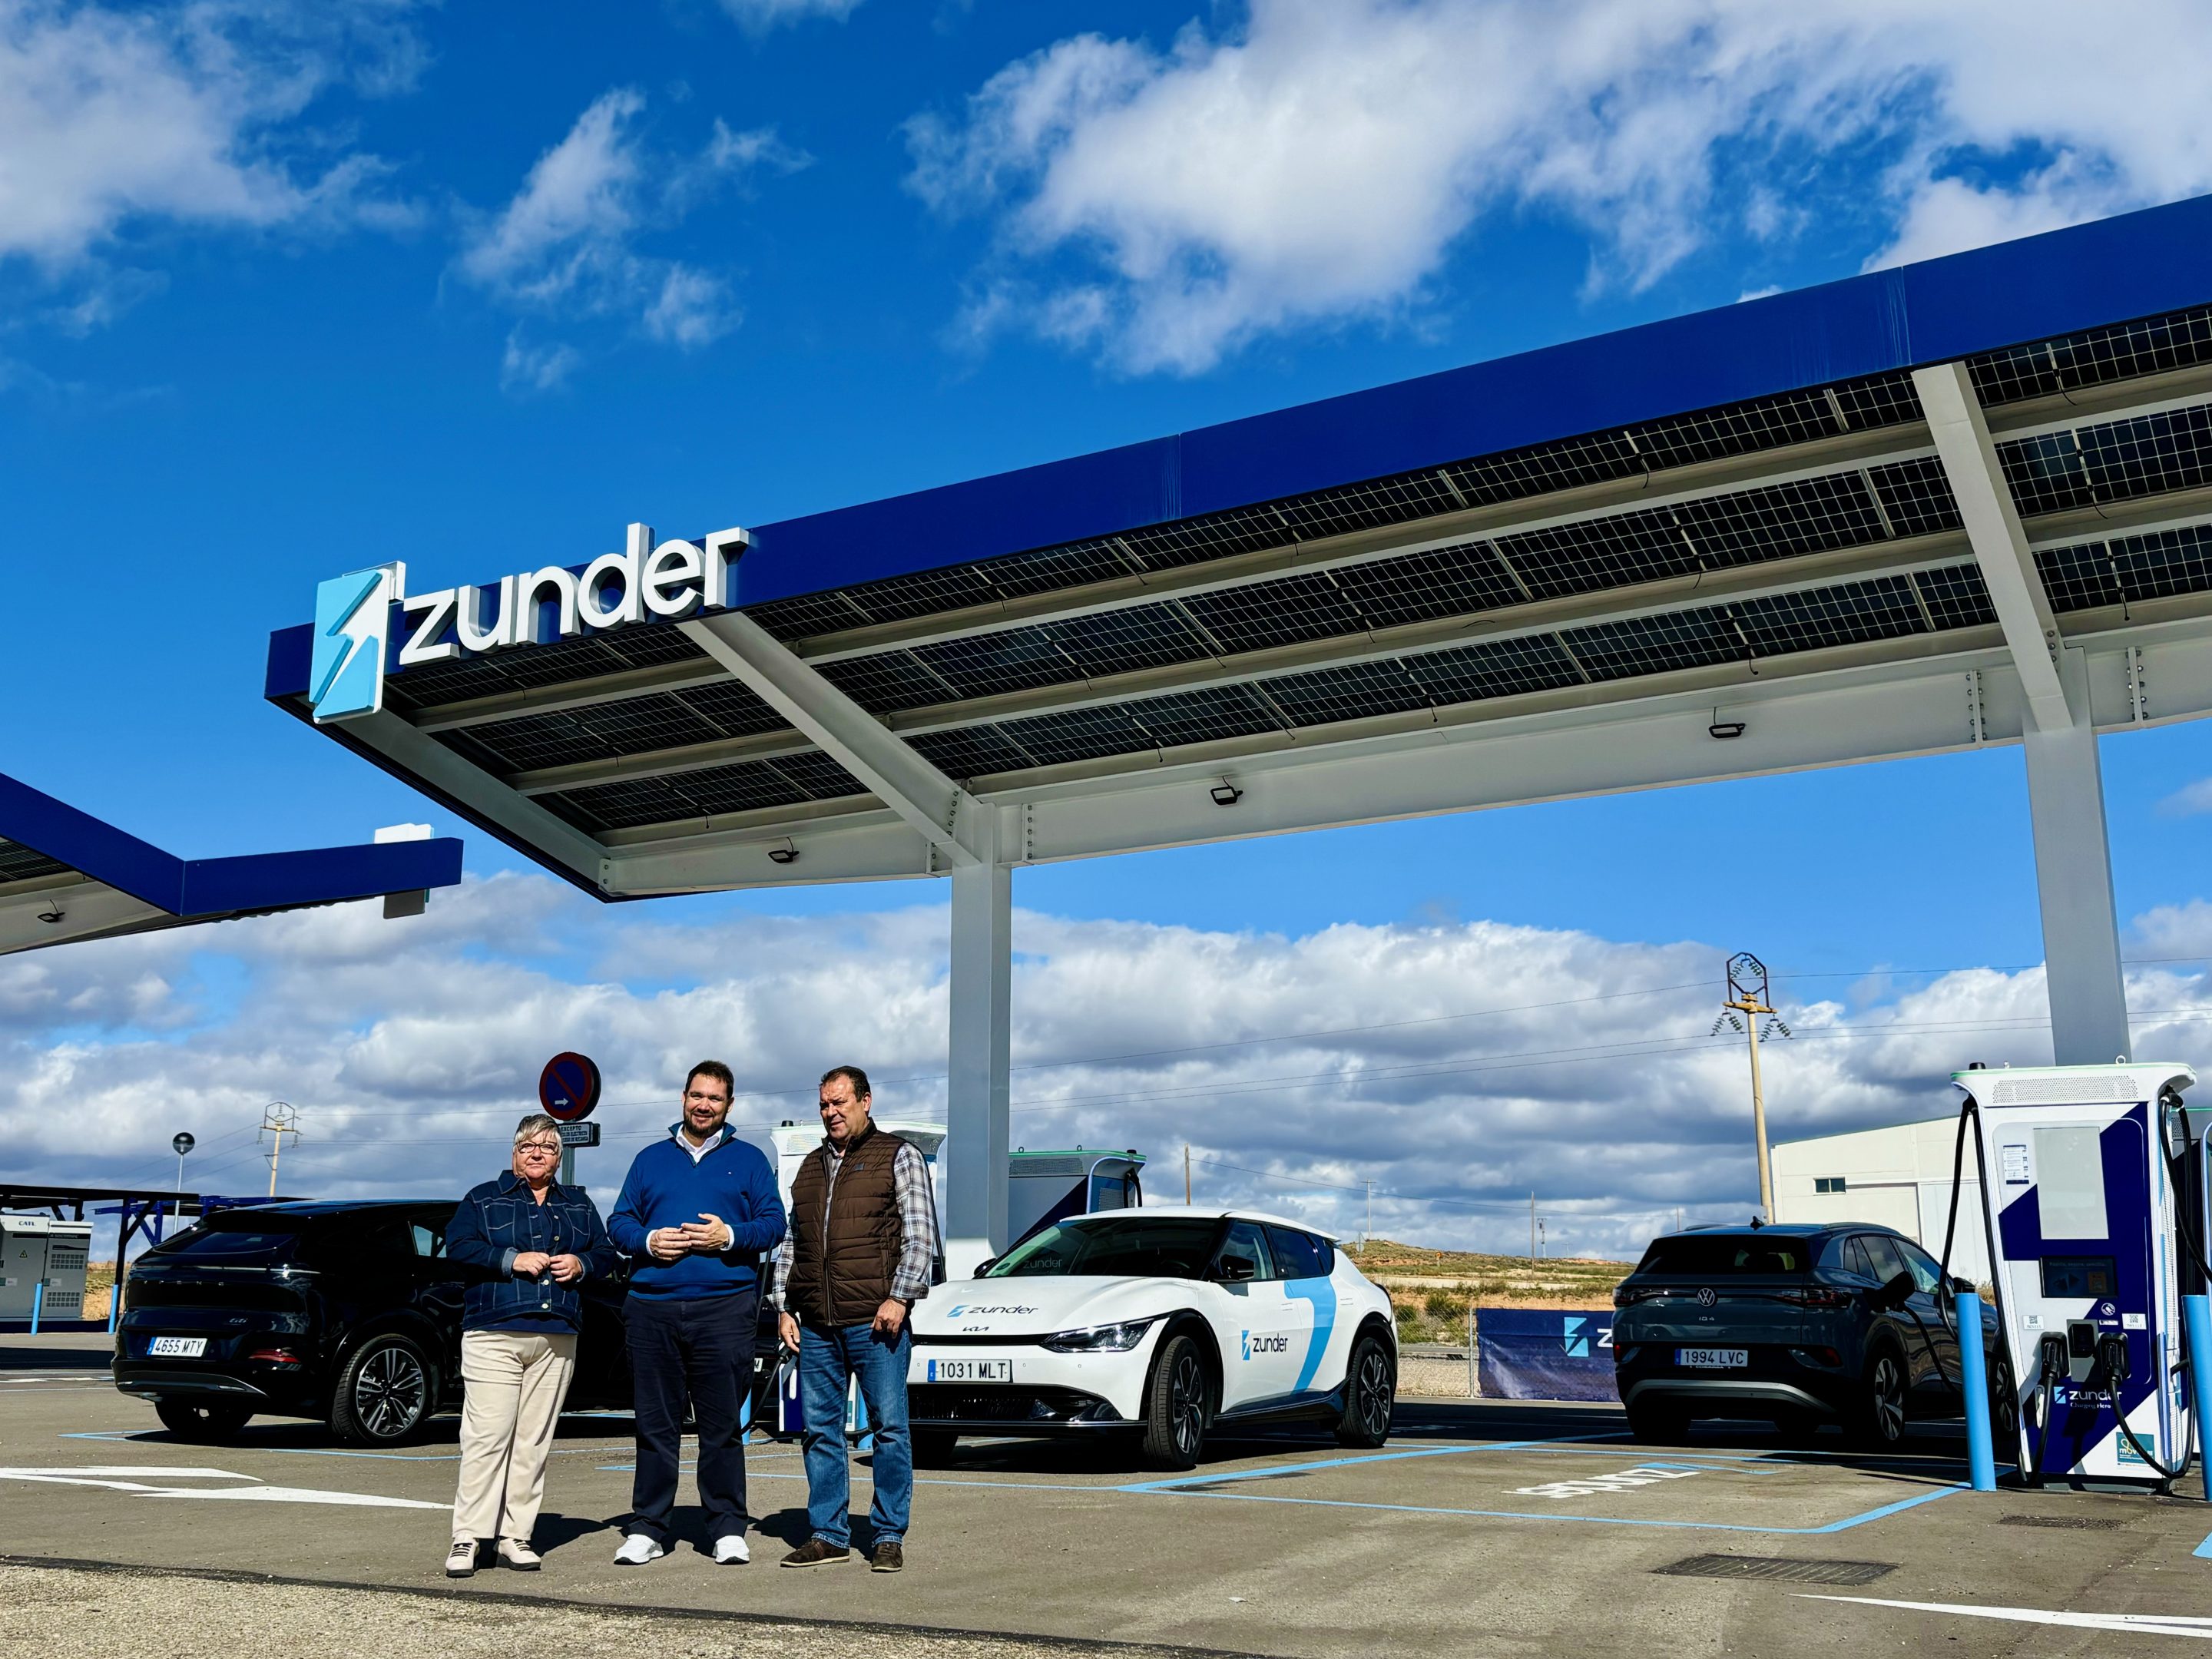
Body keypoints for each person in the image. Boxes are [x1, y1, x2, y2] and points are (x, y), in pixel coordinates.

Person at [606, 1060, 786, 1565]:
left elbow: (774, 1224)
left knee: (721, 1425)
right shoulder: (649, 1160)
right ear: (683, 1098)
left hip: (724, 1309)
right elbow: (617, 1222)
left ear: (729, 1106)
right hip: (651, 1310)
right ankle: (647, 1528)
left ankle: (727, 1527)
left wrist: (728, 1236)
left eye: (715, 1098)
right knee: (654, 1425)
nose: (704, 1105)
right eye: (696, 1095)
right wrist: (646, 1240)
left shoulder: (749, 1161)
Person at [770, 1065, 939, 1573]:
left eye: (840, 1102)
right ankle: (829, 1533)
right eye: (824, 1104)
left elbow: (920, 1235)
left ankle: (888, 1534)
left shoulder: (898, 1156)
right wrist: (782, 1305)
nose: (831, 1112)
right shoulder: (809, 1169)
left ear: (866, 1101)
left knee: (889, 1428)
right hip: (817, 1324)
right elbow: (791, 1242)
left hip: (876, 1322)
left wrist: (900, 1298)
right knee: (820, 1430)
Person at [441, 1112, 618, 1578]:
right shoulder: (483, 1198)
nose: (537, 1154)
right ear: (514, 1153)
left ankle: (515, 1535)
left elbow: (606, 1254)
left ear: (559, 1158)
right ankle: (468, 1537)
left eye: (547, 1148)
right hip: (494, 1331)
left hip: (557, 1334)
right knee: (486, 1438)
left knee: (533, 1441)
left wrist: (581, 1265)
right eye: (527, 1146)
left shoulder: (578, 1204)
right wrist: (510, 1259)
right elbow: (457, 1246)